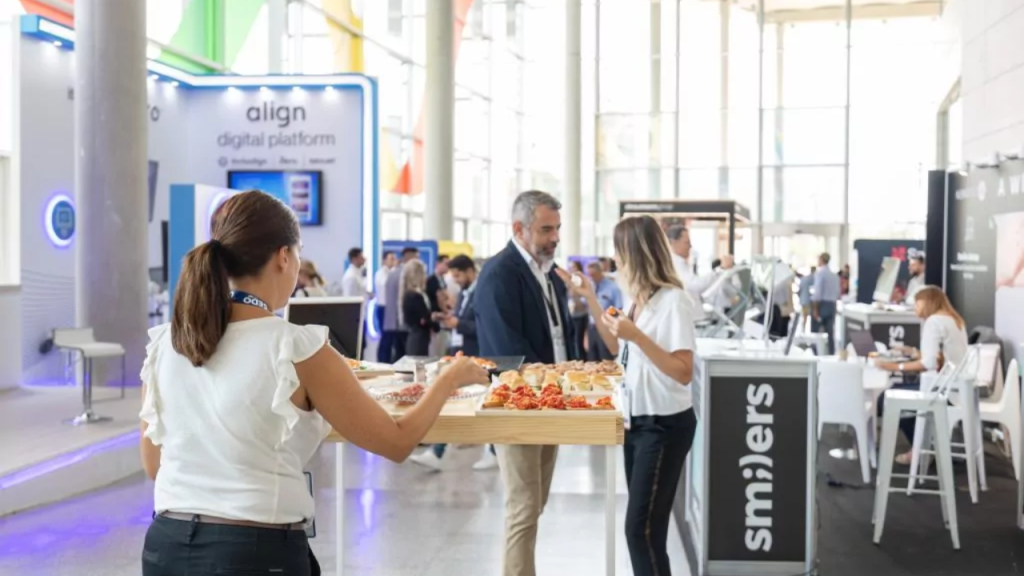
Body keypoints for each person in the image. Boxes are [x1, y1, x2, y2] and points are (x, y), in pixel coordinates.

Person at [138, 190, 488, 575]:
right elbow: (398, 441)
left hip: (165, 546)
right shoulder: (296, 346)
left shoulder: (164, 344)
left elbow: (155, 465)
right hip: (253, 553)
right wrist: (448, 378)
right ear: (284, 256)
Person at [561, 215, 697, 576]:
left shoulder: (673, 302)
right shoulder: (639, 300)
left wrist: (636, 335)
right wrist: (590, 296)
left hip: (664, 425)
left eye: (619, 251)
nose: (615, 259)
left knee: (641, 531)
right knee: (646, 532)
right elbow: (616, 346)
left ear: (636, 253)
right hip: (637, 421)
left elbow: (683, 371)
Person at [474, 190, 579, 576]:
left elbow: (557, 333)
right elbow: (507, 350)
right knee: (522, 507)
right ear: (519, 229)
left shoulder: (547, 272)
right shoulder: (500, 273)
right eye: (546, 229)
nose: (554, 237)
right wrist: (553, 381)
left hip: (547, 400)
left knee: (534, 505)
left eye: (557, 229)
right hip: (519, 403)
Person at [410, 254, 499, 472]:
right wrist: (450, 319)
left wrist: (458, 323)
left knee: (485, 404)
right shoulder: (464, 294)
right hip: (462, 353)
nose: (456, 280)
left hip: (478, 355)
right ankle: (438, 451)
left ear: (470, 271)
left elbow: (484, 326)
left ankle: (493, 451)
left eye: (458, 275)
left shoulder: (482, 292)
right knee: (451, 401)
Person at [876, 285, 969, 464]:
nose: (915, 308)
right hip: (957, 390)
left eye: (917, 303)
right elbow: (944, 357)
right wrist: (912, 352)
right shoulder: (955, 320)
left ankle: (920, 449)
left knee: (887, 397)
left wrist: (893, 366)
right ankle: (925, 446)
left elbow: (929, 364)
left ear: (927, 301)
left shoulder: (933, 322)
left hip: (941, 391)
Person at [666, 224, 732, 303]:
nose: (690, 246)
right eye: (686, 242)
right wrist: (720, 269)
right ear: (674, 243)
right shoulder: (675, 264)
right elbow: (696, 285)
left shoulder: (679, 263)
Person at [382, 247, 419, 362]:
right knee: (404, 355)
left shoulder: (393, 273)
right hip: (403, 321)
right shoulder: (405, 274)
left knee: (397, 352)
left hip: (394, 321)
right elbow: (402, 299)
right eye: (416, 257)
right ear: (410, 257)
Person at [585, 261, 622, 361]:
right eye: (589, 275)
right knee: (592, 359)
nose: (591, 277)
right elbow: (588, 311)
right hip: (592, 327)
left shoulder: (613, 288)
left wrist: (607, 319)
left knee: (605, 358)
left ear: (600, 272)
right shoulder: (590, 287)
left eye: (593, 274)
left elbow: (618, 310)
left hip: (606, 327)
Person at [400, 260, 438, 357]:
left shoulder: (413, 294)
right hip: (418, 336)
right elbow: (423, 318)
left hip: (420, 336)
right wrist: (434, 321)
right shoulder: (414, 296)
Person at [811, 253, 840, 355]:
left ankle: (814, 353)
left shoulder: (820, 274)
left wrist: (815, 309)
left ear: (822, 260)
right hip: (831, 305)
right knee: (830, 332)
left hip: (821, 305)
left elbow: (817, 293)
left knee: (815, 333)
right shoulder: (834, 276)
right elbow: (837, 294)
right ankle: (831, 353)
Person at [374, 251, 398, 363]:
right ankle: (382, 360)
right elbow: (386, 284)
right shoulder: (381, 273)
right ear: (384, 260)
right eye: (391, 258)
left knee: (391, 337)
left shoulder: (392, 273)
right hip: (383, 308)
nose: (394, 261)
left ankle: (389, 359)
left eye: (394, 258)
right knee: (385, 336)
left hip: (391, 309)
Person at [567, 261, 590, 359]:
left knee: (579, 341)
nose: (571, 269)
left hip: (581, 315)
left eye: (574, 267)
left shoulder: (583, 282)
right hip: (571, 315)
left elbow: (585, 302)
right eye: (570, 267)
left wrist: (575, 294)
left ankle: (582, 360)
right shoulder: (568, 281)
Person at [798, 266, 816, 332]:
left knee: (804, 316)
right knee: (812, 317)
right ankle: (811, 330)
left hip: (803, 300)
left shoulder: (804, 278)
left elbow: (799, 290)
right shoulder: (815, 278)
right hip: (811, 301)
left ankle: (803, 329)